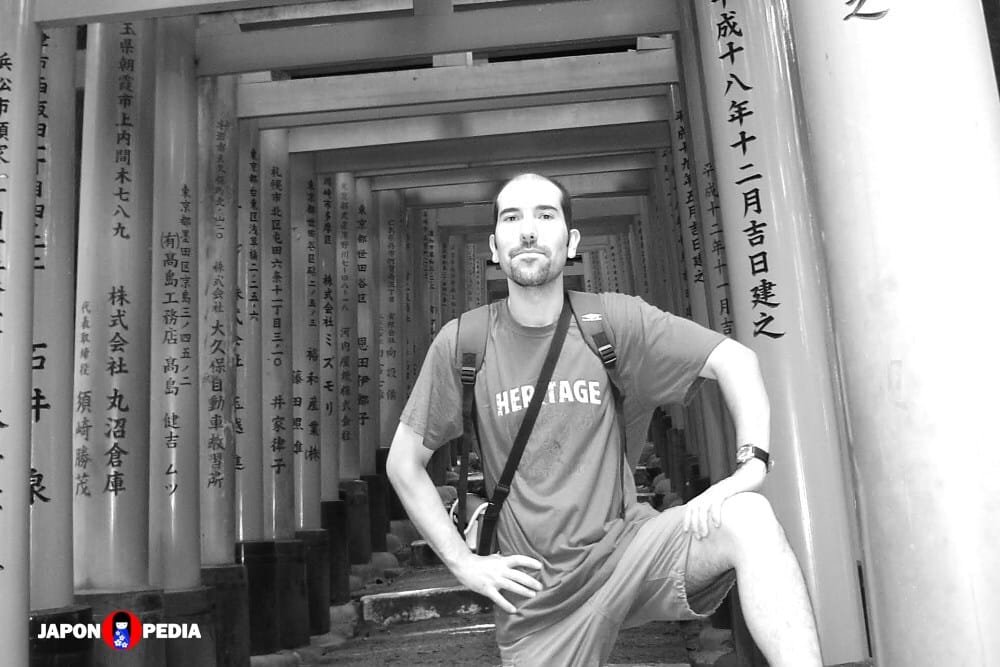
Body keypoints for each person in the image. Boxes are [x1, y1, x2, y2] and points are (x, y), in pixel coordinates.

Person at [387, 173, 822, 666]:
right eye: (512, 218)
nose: (528, 231)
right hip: (537, 597)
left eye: (545, 215)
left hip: (628, 552)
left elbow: (735, 360)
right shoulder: (463, 342)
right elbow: (404, 464)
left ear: (570, 241)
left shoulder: (609, 322)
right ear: (494, 245)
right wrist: (464, 564)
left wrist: (751, 467)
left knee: (750, 518)